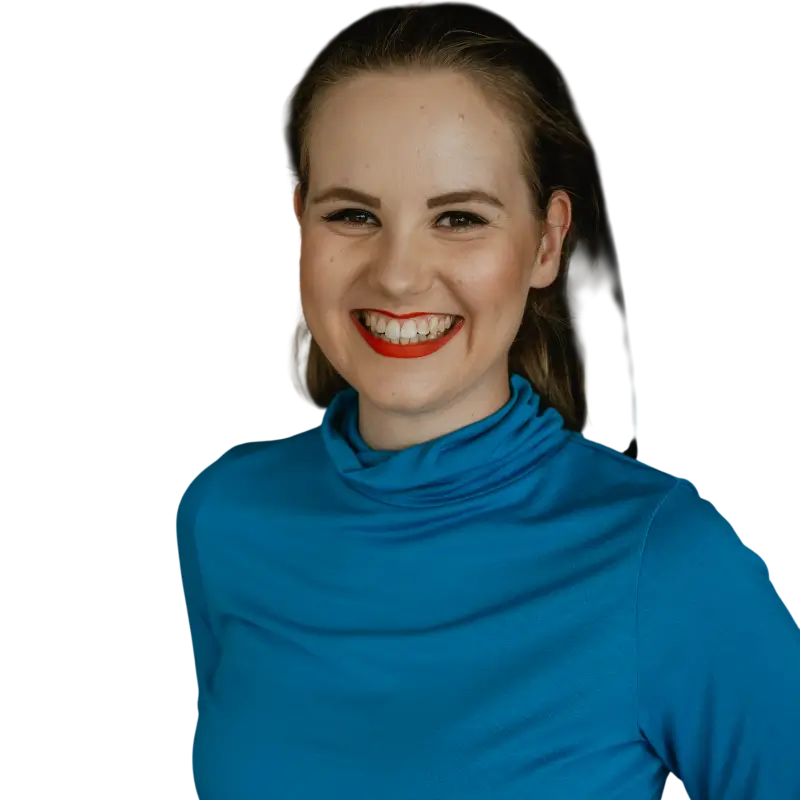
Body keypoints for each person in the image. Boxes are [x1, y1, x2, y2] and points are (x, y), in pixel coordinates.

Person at [176, 2, 800, 798]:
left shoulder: (671, 562)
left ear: (546, 242)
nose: (399, 275)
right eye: (354, 214)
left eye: (459, 218)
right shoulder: (225, 514)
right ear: (299, 223)